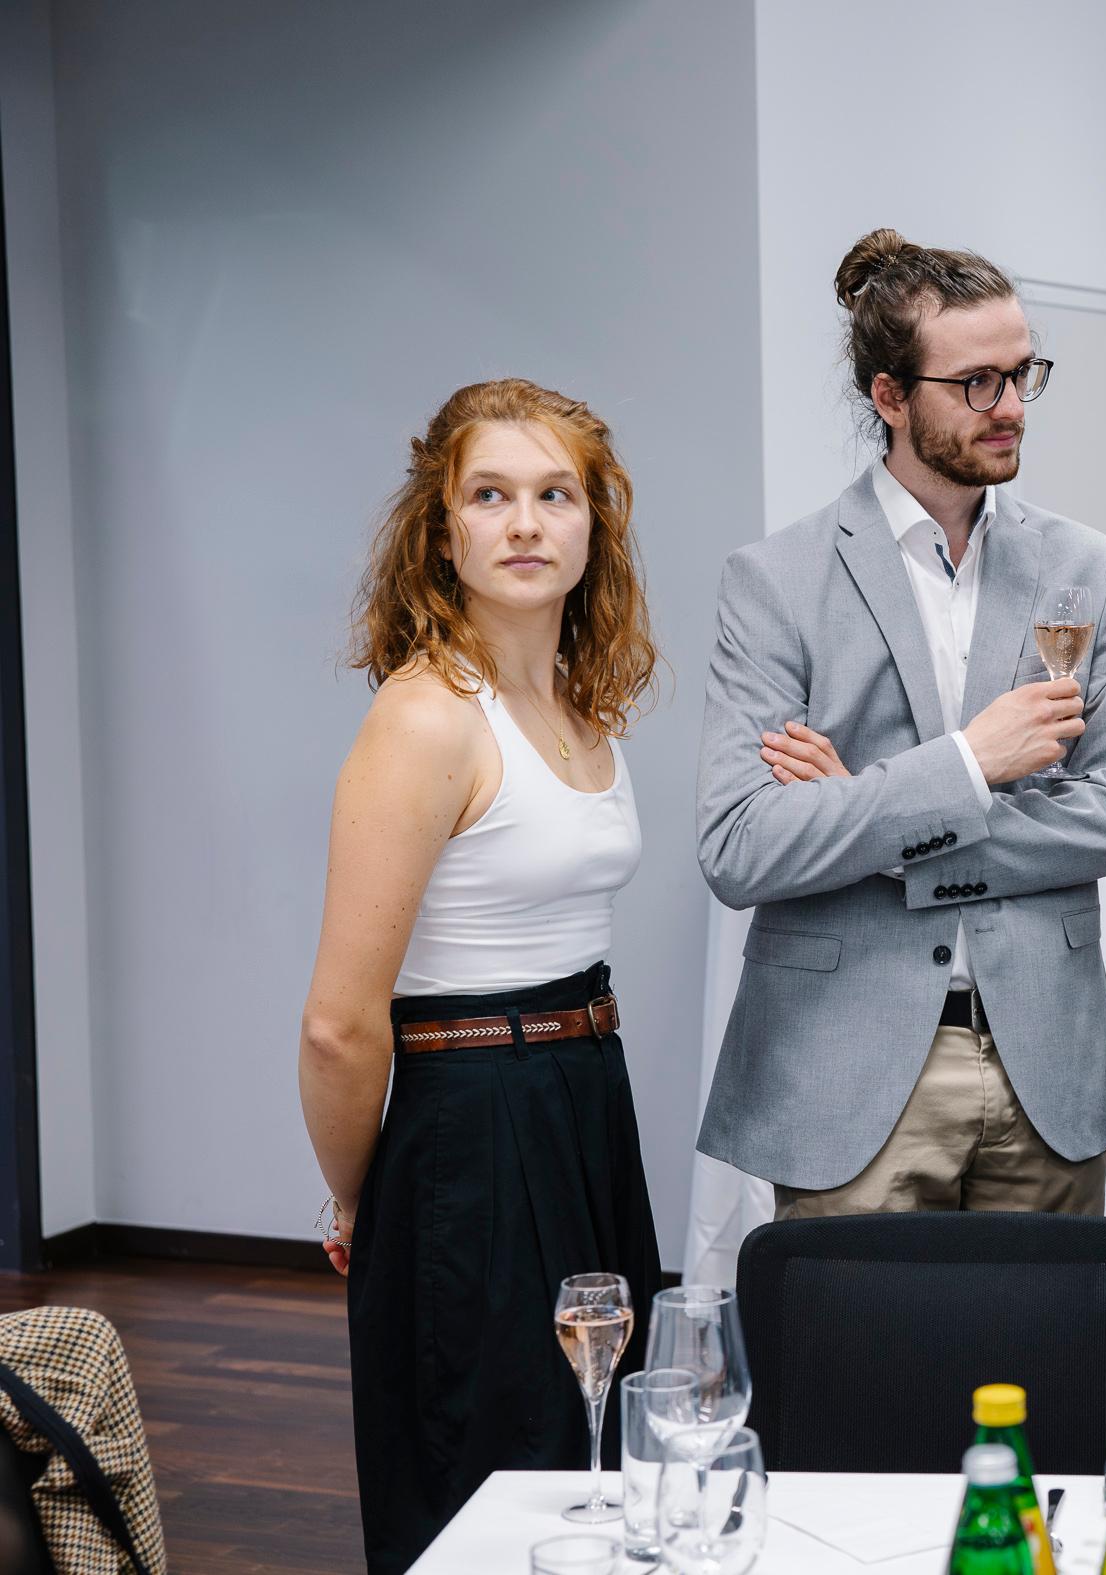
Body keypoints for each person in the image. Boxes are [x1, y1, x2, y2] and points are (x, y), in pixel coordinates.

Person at [695, 229, 1106, 1219]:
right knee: (859, 1369)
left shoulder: (1088, 568)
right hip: (845, 1069)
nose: (1008, 408)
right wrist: (969, 764)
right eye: (977, 383)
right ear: (891, 398)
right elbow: (741, 846)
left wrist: (872, 820)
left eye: (1022, 373)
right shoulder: (775, 582)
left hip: (1047, 1064)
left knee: (1045, 1367)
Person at [298, 378, 663, 1573]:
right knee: (496, 1475)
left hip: (584, 1103)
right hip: (472, 1126)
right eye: (489, 494)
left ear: (592, 523)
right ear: (441, 528)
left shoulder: (574, 702)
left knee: (603, 1466)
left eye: (553, 494)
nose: (522, 523)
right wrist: (361, 1198)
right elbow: (340, 1027)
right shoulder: (427, 717)